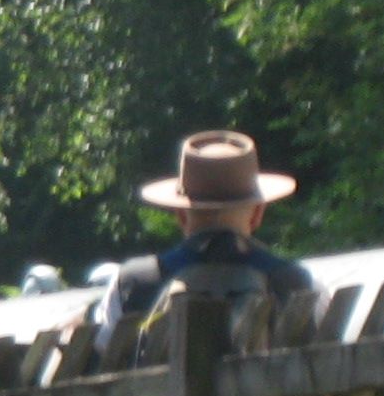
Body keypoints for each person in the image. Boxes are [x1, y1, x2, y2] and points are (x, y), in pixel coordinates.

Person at [96, 129, 316, 341]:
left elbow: (103, 356)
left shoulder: (133, 282)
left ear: (181, 215)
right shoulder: (296, 282)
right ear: (257, 214)